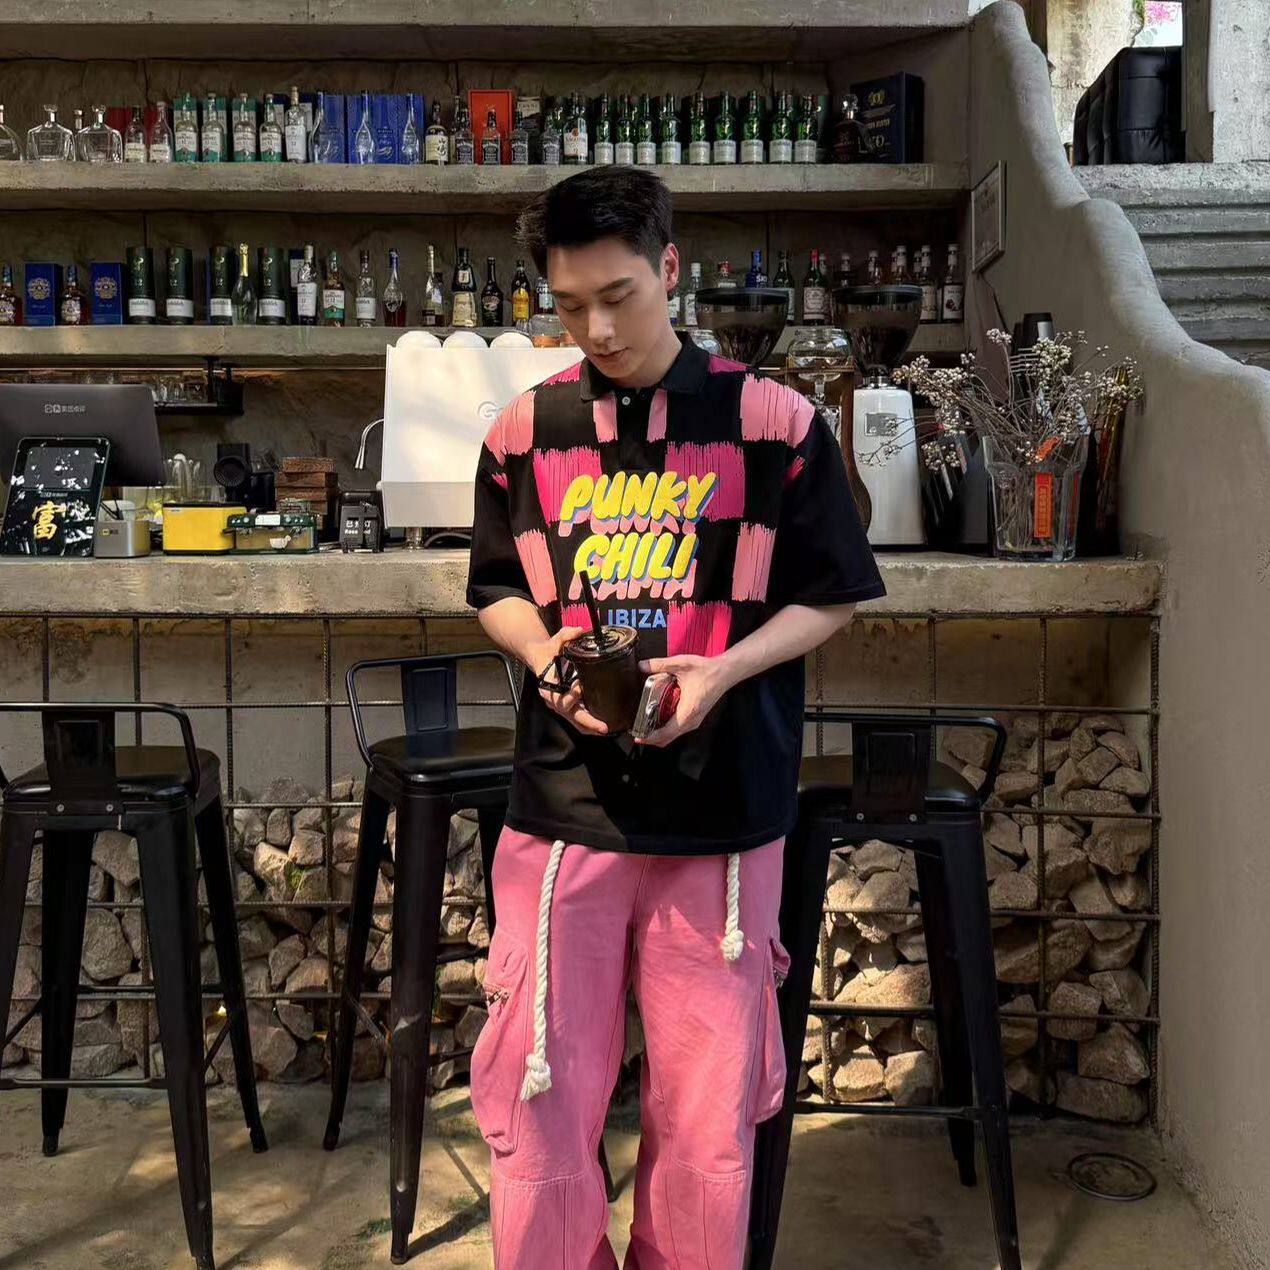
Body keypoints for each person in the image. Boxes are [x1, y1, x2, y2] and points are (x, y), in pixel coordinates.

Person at [465, 166, 884, 1269]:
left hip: (723, 811)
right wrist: (543, 651)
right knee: (540, 1097)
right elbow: (494, 585)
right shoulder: (524, 431)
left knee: (706, 1118)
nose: (597, 329)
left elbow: (834, 593)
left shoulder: (774, 423)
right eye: (570, 305)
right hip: (565, 810)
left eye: (619, 296)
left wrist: (723, 669)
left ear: (669, 269)